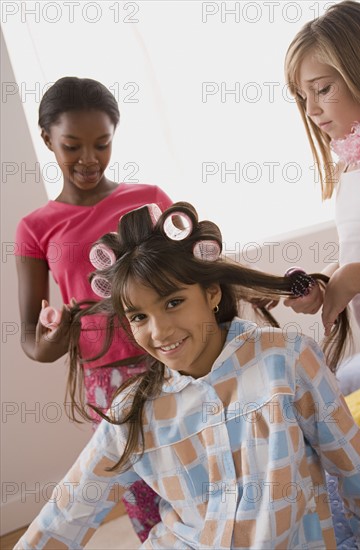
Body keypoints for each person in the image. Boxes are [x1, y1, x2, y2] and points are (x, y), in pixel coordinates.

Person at [14, 202, 360, 549]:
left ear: (211, 292)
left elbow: (355, 472)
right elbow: (66, 514)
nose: (160, 332)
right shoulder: (134, 411)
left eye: (172, 303)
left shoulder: (287, 360)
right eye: (138, 317)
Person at [14, 76, 173, 541]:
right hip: (106, 382)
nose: (89, 159)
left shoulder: (149, 200)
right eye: (72, 145)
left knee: (201, 468)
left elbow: (194, 279)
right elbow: (32, 340)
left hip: (169, 357)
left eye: (101, 144)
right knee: (142, 490)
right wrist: (54, 337)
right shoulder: (35, 228)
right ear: (48, 140)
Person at [283, 0, 360, 342]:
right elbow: (358, 251)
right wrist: (326, 279)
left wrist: (353, 277)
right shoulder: (349, 163)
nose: (312, 109)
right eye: (303, 97)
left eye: (323, 88)